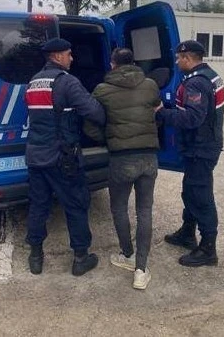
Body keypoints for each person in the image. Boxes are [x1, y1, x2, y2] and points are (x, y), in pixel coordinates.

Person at [25, 37, 105, 276]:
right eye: (69, 54)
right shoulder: (67, 82)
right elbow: (94, 112)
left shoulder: (33, 82)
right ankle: (81, 258)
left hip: (35, 155)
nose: (72, 58)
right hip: (62, 157)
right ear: (58, 56)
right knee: (75, 204)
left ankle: (36, 256)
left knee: (38, 206)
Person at [84, 48, 161, 290]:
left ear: (112, 64)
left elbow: (89, 125)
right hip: (148, 156)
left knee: (119, 207)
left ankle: (127, 254)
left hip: (121, 158)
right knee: (144, 210)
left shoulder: (102, 89)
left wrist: (108, 139)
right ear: (134, 62)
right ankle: (141, 269)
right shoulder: (150, 85)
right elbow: (157, 112)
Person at [156, 40, 224, 267]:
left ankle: (208, 249)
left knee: (201, 197)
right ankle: (187, 232)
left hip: (201, 149)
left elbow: (192, 118)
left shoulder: (196, 83)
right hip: (203, 145)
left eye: (179, 58)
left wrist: (162, 113)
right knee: (190, 191)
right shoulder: (210, 75)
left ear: (187, 58)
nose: (177, 62)